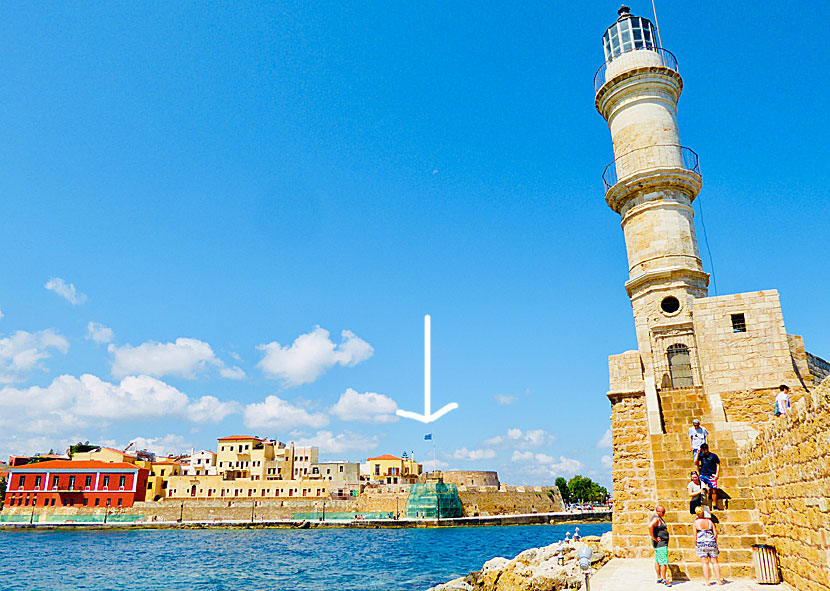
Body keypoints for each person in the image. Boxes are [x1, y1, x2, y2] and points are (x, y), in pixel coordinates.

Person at [693, 505, 723, 585]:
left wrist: (695, 543)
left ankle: (707, 581)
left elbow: (695, 535)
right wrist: (715, 542)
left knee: (705, 563)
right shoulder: (710, 522)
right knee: (715, 562)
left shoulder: (696, 523)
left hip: (701, 543)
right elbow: (715, 533)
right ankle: (719, 580)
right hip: (711, 542)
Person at [648, 505, 671, 586]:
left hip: (661, 543)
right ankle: (664, 579)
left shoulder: (659, 518)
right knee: (663, 561)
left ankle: (659, 578)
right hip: (661, 544)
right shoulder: (656, 519)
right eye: (663, 512)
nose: (664, 513)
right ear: (658, 511)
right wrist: (654, 538)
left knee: (658, 560)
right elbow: (650, 526)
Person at [696, 443, 721, 509]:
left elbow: (718, 464)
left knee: (714, 490)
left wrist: (717, 474)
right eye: (703, 450)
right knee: (703, 489)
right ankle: (704, 504)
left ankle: (714, 505)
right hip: (703, 475)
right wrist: (698, 454)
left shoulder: (713, 456)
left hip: (711, 475)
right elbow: (696, 462)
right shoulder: (701, 456)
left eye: (705, 449)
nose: (705, 451)